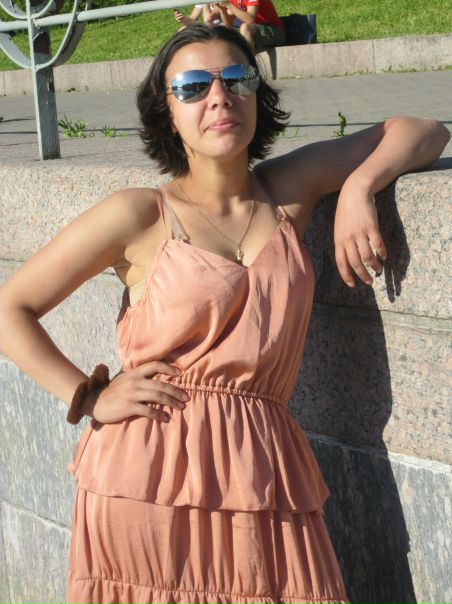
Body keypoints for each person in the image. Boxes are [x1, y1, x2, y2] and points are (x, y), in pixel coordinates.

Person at [0, 23, 448, 604]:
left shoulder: (289, 191)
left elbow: (425, 130)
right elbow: (10, 307)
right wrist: (88, 396)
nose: (219, 97)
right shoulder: (139, 214)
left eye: (237, 79)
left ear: (256, 94)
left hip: (263, 469)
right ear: (167, 112)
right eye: (192, 86)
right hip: (149, 477)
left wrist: (360, 187)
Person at [213, 0, 286, 52]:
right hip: (257, 35)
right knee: (223, 31)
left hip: (276, 33)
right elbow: (229, 23)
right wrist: (221, 9)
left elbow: (250, 18)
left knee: (245, 27)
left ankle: (250, 64)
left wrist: (229, 5)